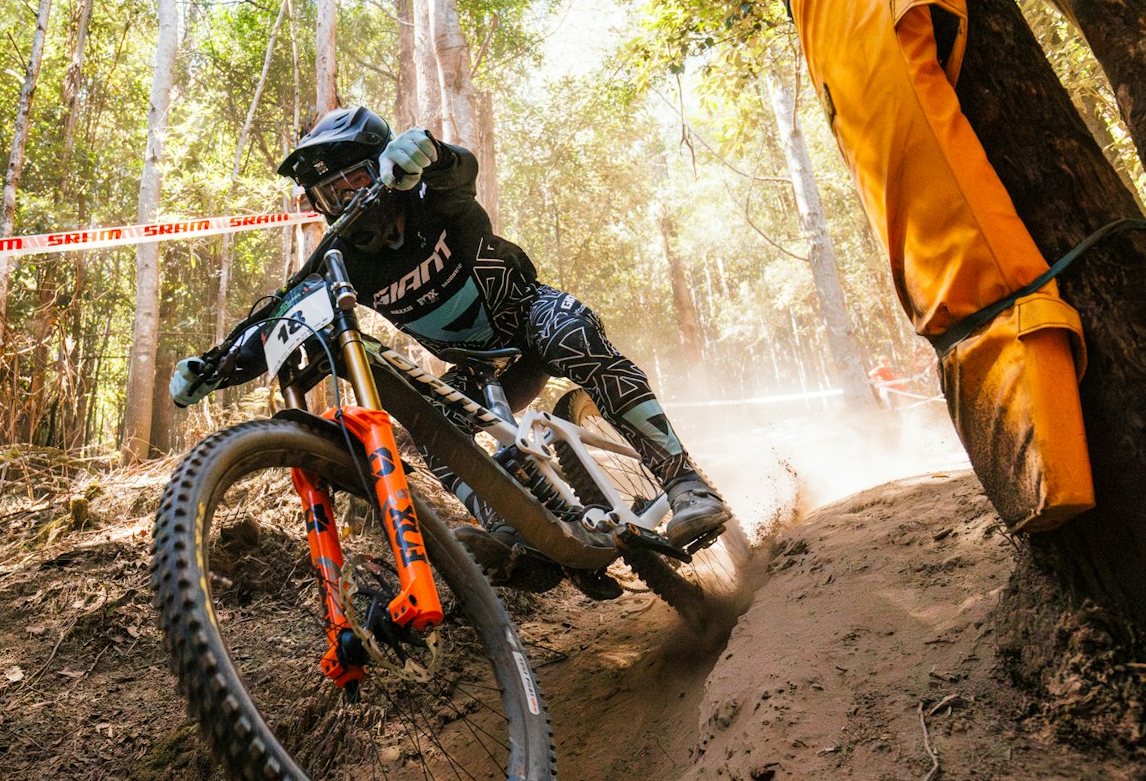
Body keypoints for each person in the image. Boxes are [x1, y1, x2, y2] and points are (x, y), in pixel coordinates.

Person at [169, 106, 729, 597]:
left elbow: (459, 168)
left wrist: (428, 152)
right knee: (431, 428)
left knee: (570, 334)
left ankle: (685, 483)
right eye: (328, 196)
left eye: (353, 183)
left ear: (384, 167)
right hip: (481, 370)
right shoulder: (343, 260)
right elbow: (276, 322)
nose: (345, 202)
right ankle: (515, 533)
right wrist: (216, 369)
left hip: (529, 318)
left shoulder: (433, 198)